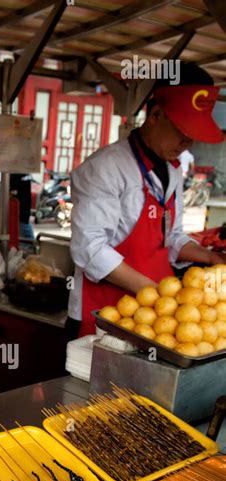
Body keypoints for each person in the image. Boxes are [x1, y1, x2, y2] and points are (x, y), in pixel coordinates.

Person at [67, 62, 225, 338]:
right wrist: (155, 293)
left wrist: (210, 256)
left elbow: (170, 236)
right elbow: (89, 248)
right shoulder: (107, 167)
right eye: (182, 132)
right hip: (107, 316)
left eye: (193, 136)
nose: (188, 144)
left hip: (156, 322)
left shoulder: (172, 169)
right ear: (155, 115)